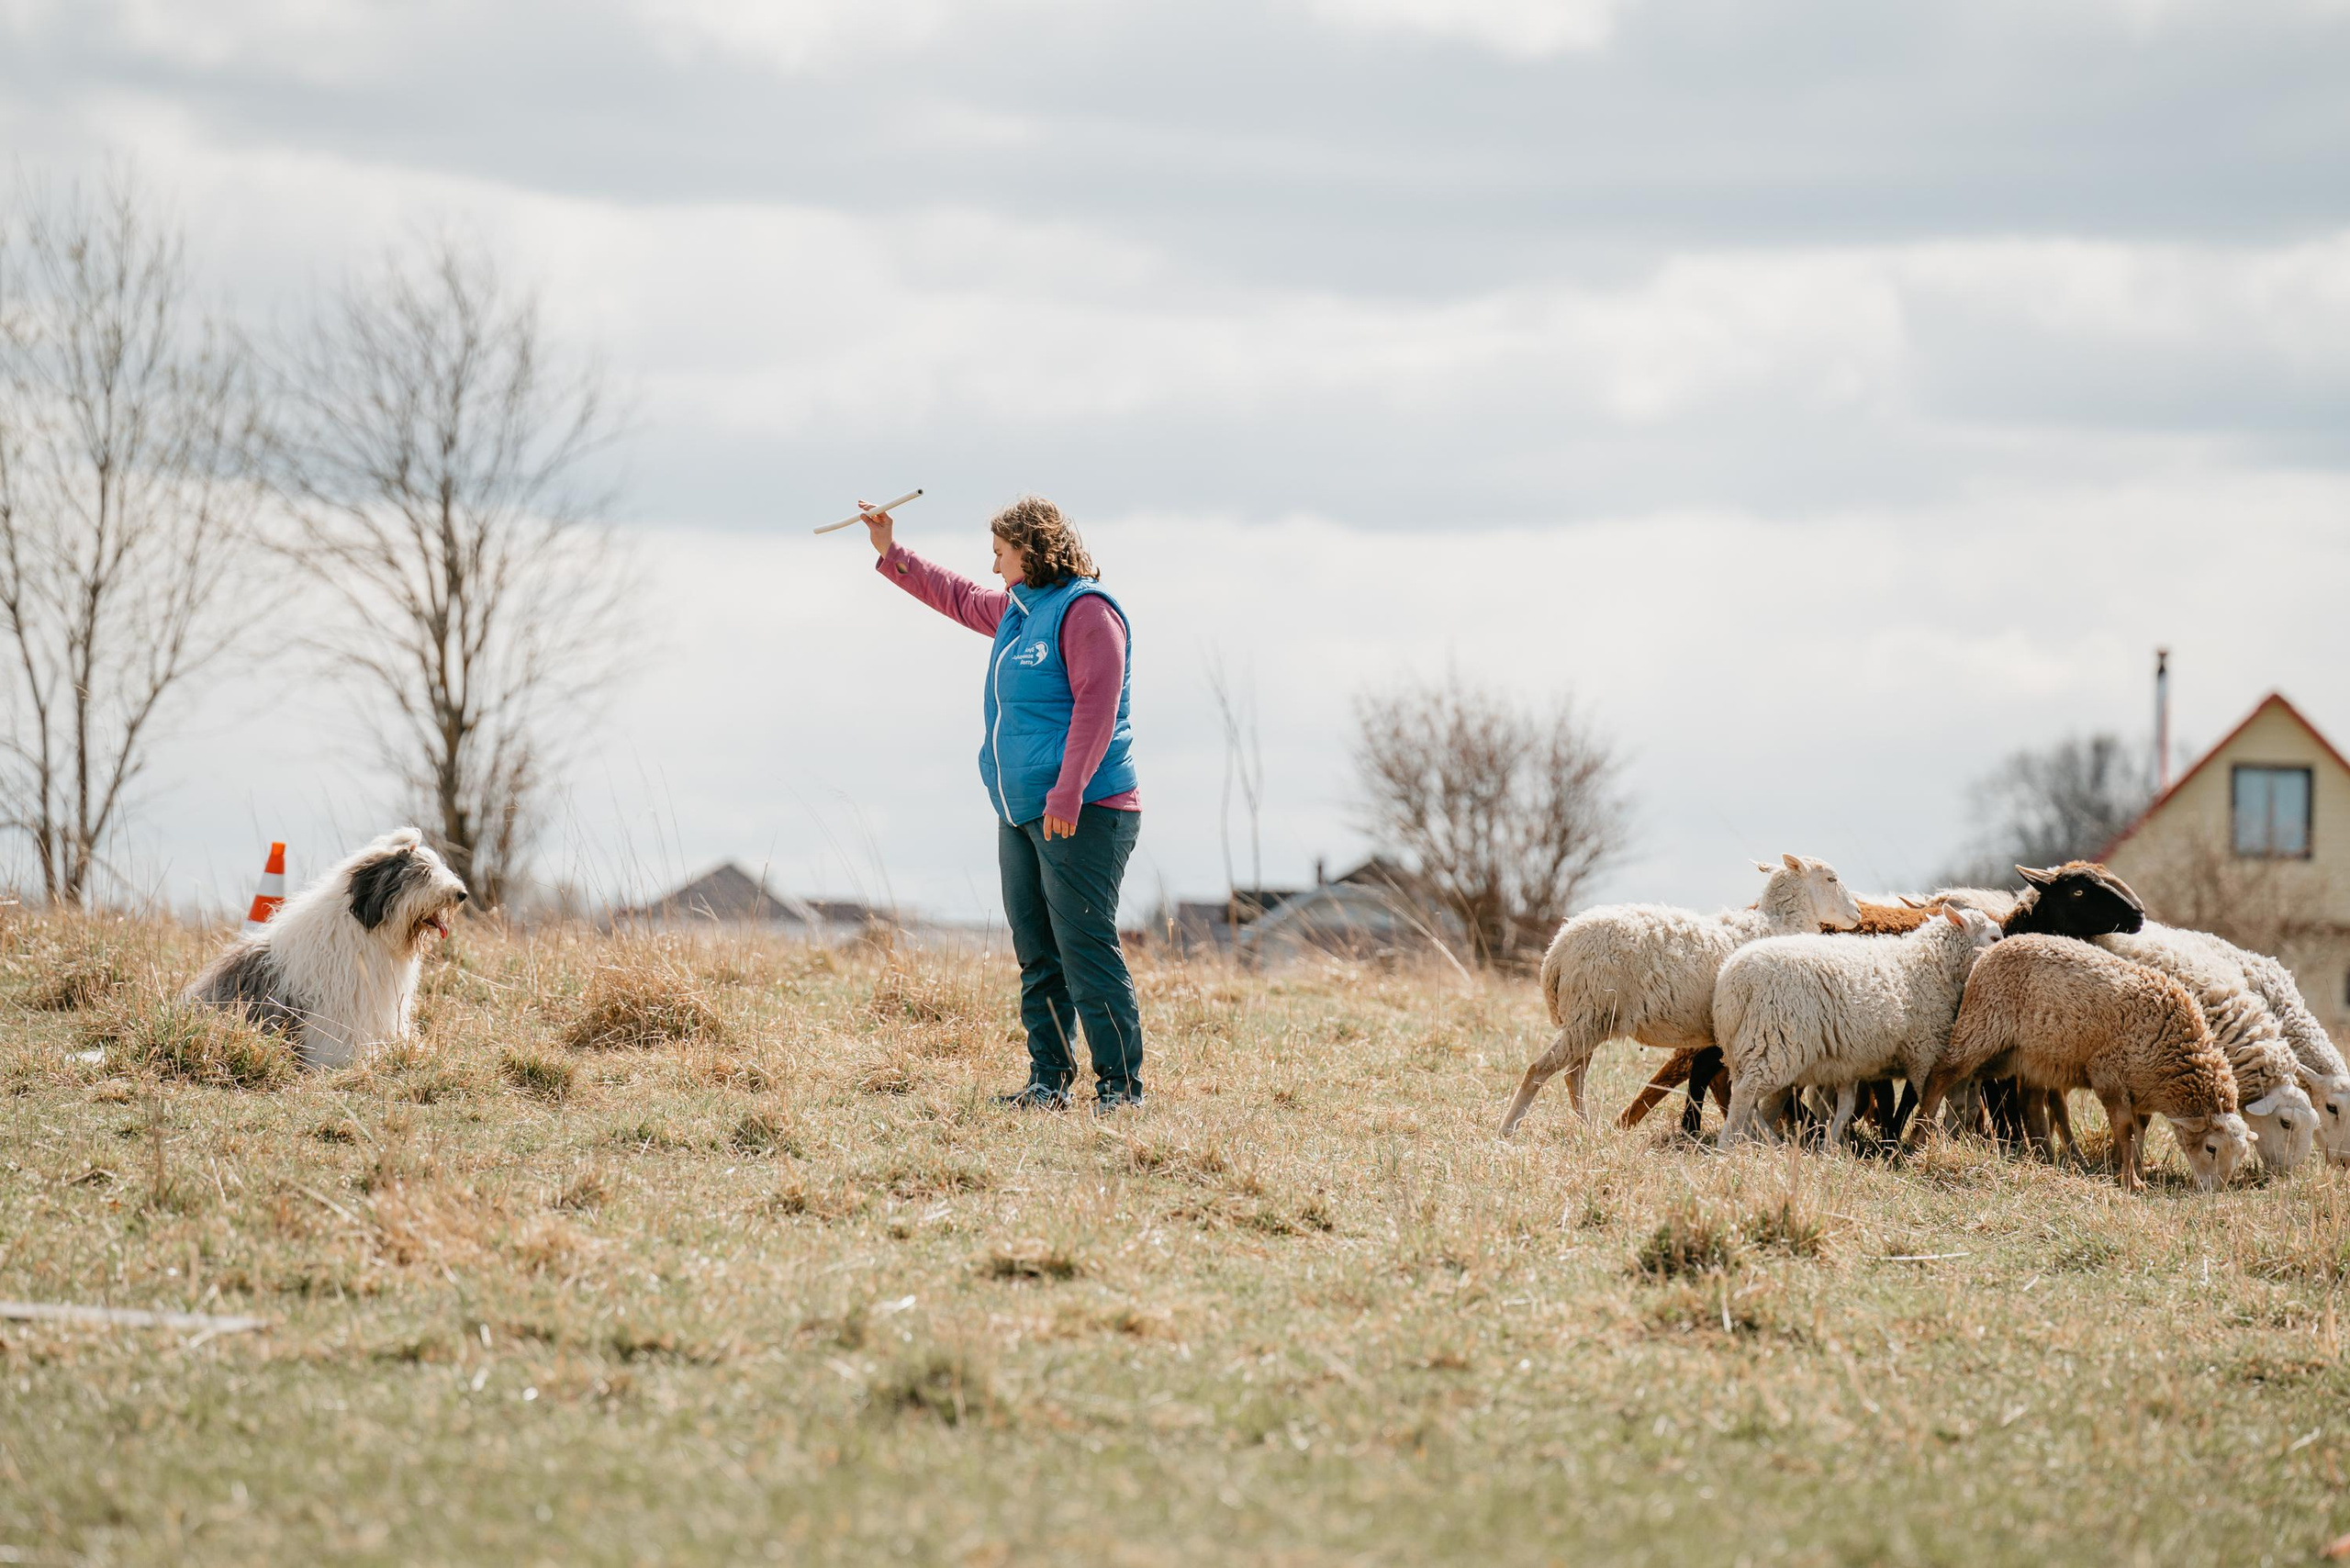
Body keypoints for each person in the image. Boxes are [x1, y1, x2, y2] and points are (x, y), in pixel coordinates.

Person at [861, 495, 1146, 1112]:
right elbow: (958, 596)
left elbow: (1098, 708)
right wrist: (891, 551)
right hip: (1021, 811)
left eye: (1000, 553)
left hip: (1086, 808)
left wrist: (1067, 794)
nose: (993, 568)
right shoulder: (1019, 610)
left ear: (1031, 549)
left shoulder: (1086, 611)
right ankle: (1048, 1084)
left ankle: (1122, 1091)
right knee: (1037, 952)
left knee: (1085, 949)